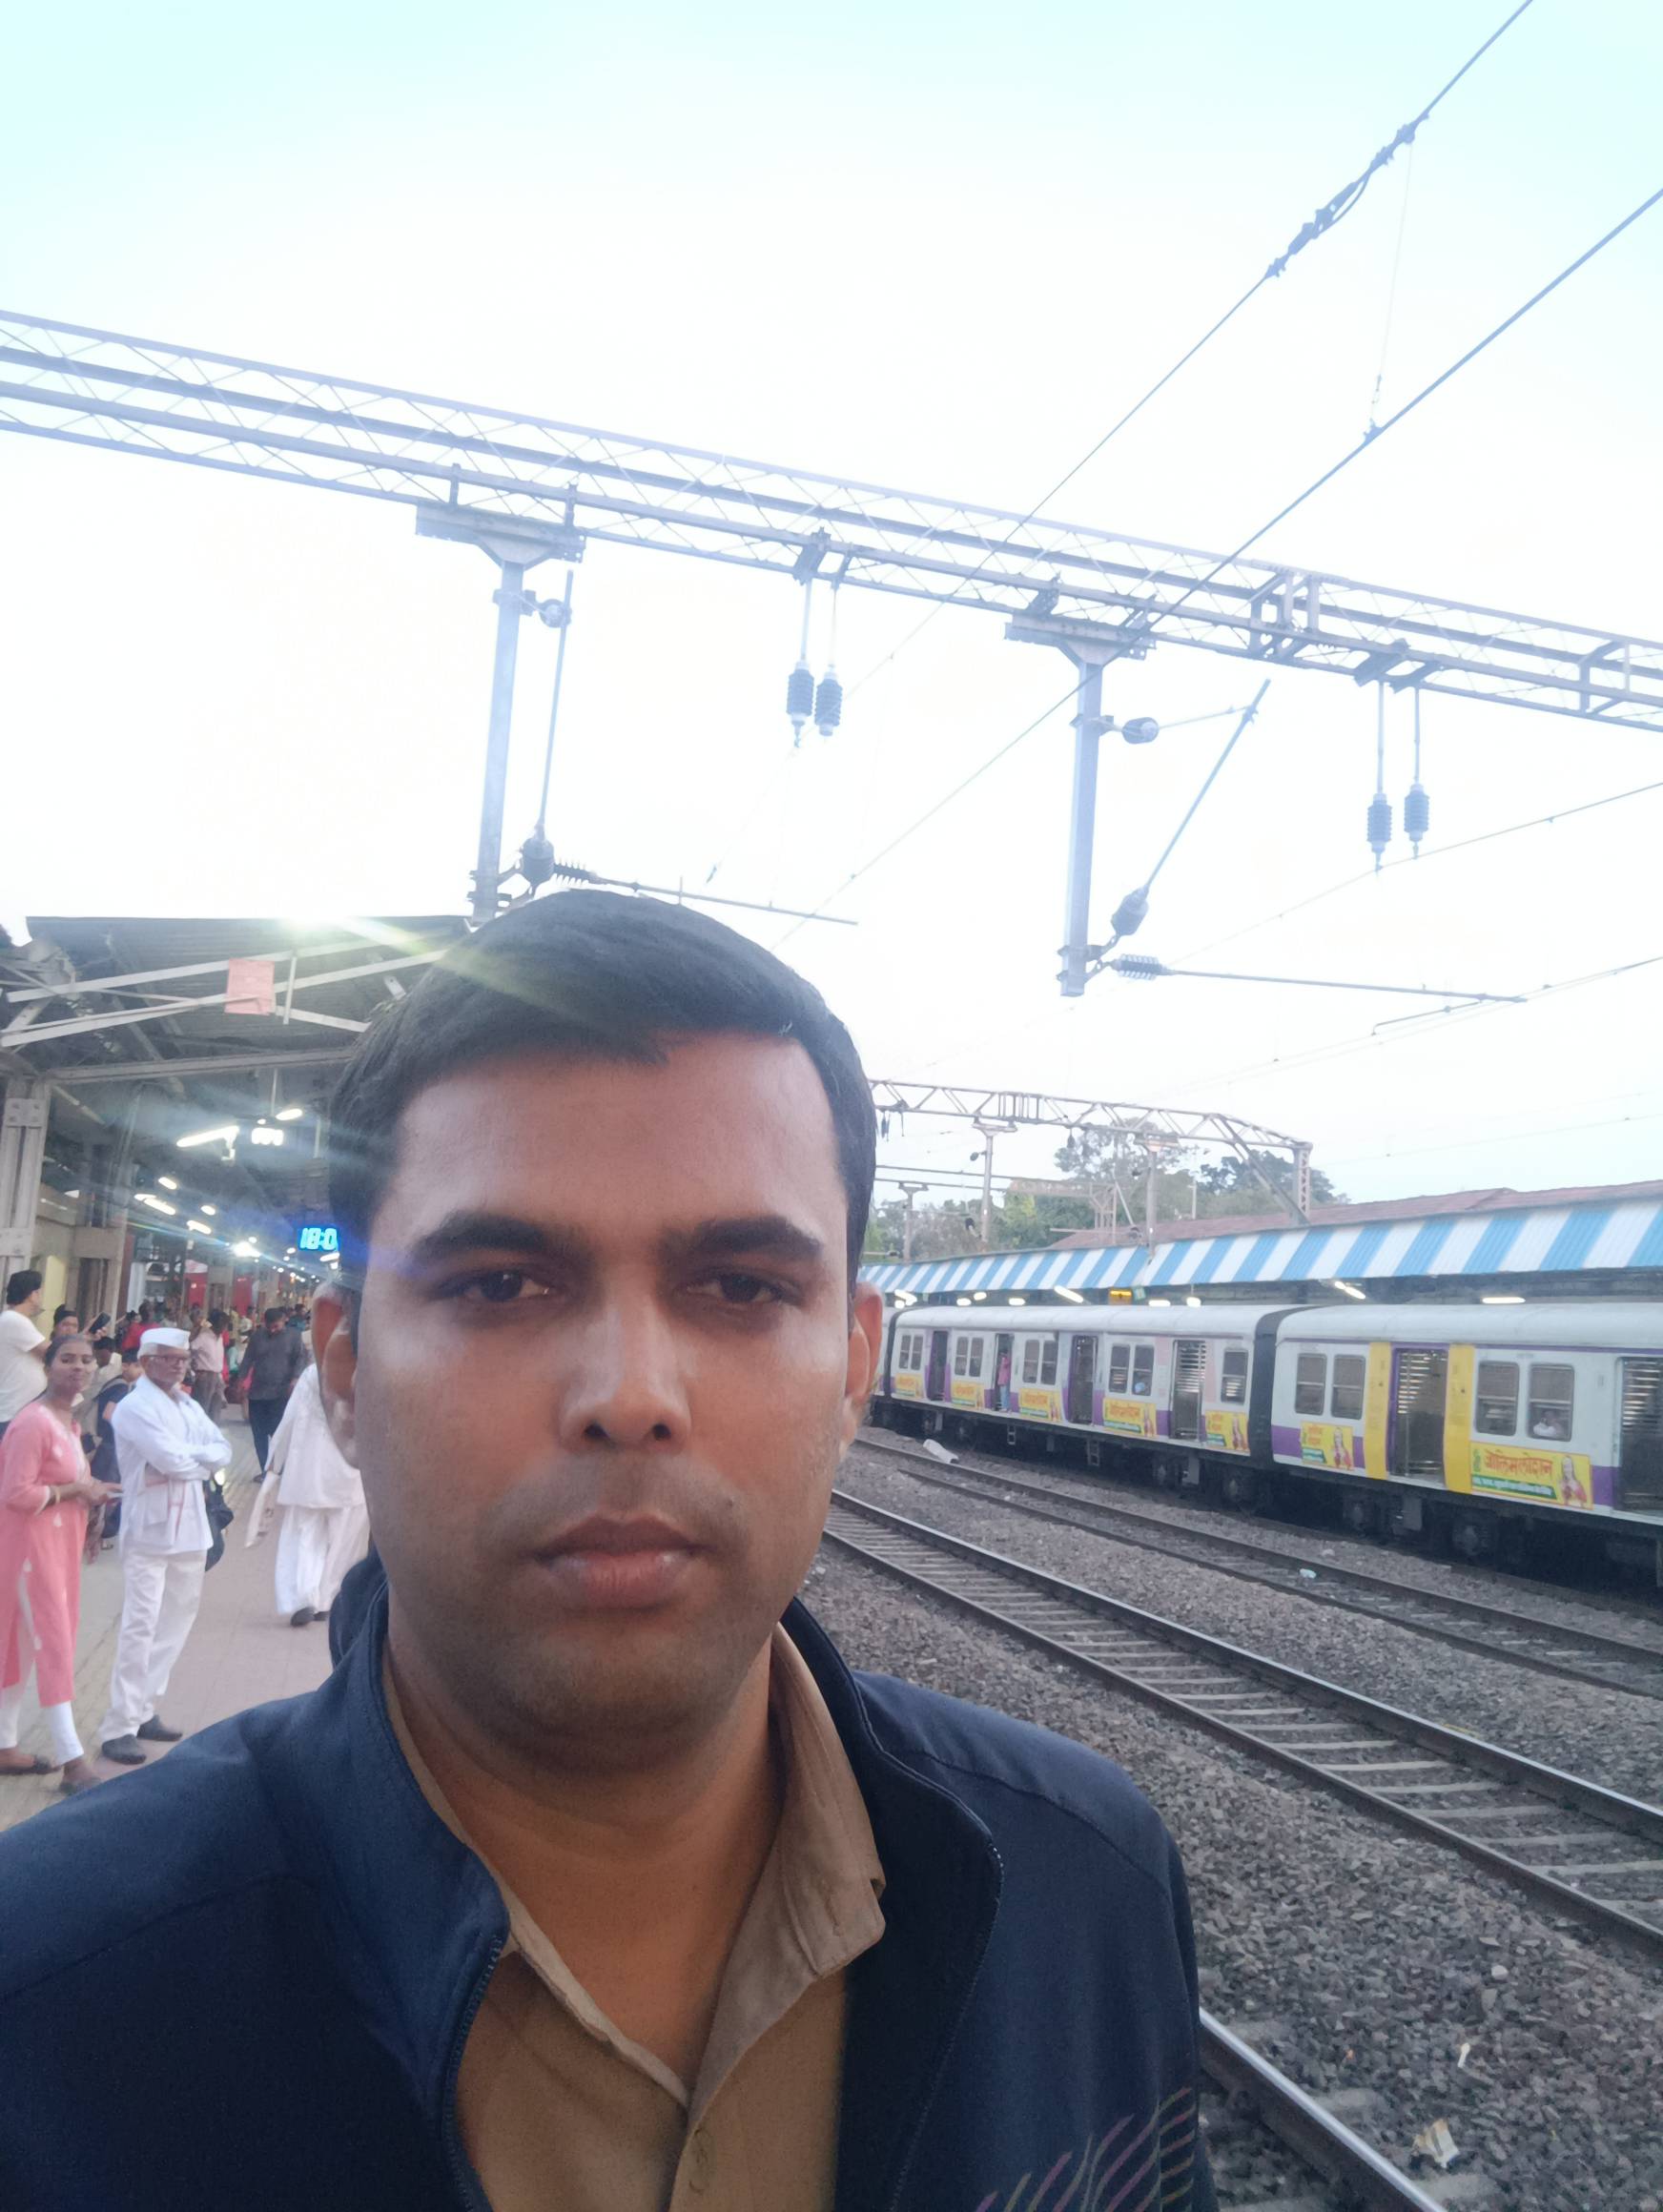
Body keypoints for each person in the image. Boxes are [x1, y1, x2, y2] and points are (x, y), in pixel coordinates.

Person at [0, 893, 1215, 2212]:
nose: (631, 1396)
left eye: (742, 1287)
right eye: (499, 1283)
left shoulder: (1092, 1886)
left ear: (855, 1368)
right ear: (344, 1374)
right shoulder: (44, 1992)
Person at [94, 1326, 232, 1767]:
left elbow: (223, 1449)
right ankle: (118, 1726)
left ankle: (145, 1709)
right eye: (169, 1358)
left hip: (190, 1528)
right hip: (150, 1532)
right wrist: (198, 1459)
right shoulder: (134, 1407)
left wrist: (193, 1459)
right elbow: (171, 1460)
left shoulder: (187, 1403)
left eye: (183, 1358)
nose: (179, 1365)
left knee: (177, 1620)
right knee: (141, 1625)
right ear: (147, 1360)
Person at [0, 1336, 120, 1795]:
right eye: (67, 1359)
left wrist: (92, 1497)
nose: (79, 1367)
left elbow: (70, 1480)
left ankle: (5, 1742)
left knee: (22, 1645)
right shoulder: (34, 1423)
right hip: (31, 1552)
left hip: (57, 1547)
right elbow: (16, 1493)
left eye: (86, 1360)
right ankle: (72, 1759)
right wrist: (77, 1492)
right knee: (54, 1644)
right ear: (47, 1367)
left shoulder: (66, 1422)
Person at [247, 1359, 369, 1626]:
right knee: (344, 1542)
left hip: (308, 1472)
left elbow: (289, 1419)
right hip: (351, 1474)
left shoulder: (313, 1374)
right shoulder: (371, 1369)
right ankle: (328, 1600)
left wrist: (275, 1462)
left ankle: (303, 1598)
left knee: (304, 1535)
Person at [237, 1306, 305, 1471]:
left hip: (281, 1394)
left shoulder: (294, 1337)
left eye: (276, 1326)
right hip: (257, 1393)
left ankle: (280, 1469)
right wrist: (240, 1379)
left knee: (278, 1432)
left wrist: (295, 1379)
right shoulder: (257, 1337)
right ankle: (265, 1469)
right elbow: (248, 1359)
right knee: (259, 1434)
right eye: (269, 1326)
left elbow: (300, 1359)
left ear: (284, 1321)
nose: (272, 1330)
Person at [0, 1270, 49, 1441]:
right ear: (32, 1294)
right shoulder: (14, 1320)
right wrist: (82, 1339)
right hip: (13, 1411)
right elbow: (51, 1352)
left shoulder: (15, 1320)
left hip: (17, 1409)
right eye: (39, 1292)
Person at [188, 1308, 228, 1425]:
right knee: (202, 1409)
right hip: (204, 1376)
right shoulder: (203, 1337)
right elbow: (189, 1348)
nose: (224, 1328)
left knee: (215, 1410)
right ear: (215, 1324)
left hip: (217, 1376)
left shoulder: (220, 1338)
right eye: (222, 1324)